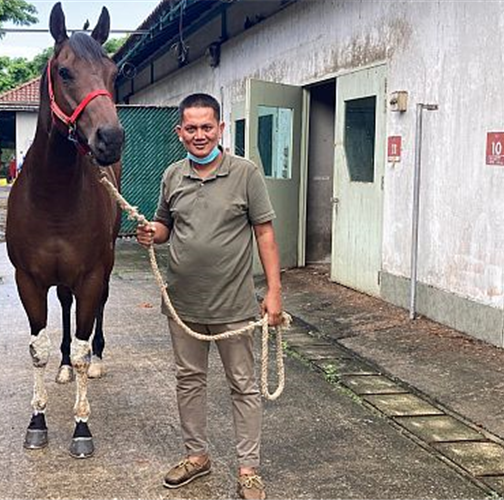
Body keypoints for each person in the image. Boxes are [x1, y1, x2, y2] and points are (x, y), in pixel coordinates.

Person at [136, 93, 284, 500]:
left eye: (207, 127)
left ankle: (248, 469)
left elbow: (265, 233)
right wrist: (152, 232)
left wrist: (274, 292)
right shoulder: (172, 176)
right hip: (183, 305)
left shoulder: (245, 174)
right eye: (191, 128)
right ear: (179, 132)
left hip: (234, 305)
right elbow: (166, 225)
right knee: (189, 381)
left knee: (243, 385)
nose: (199, 135)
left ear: (220, 128)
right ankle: (197, 456)